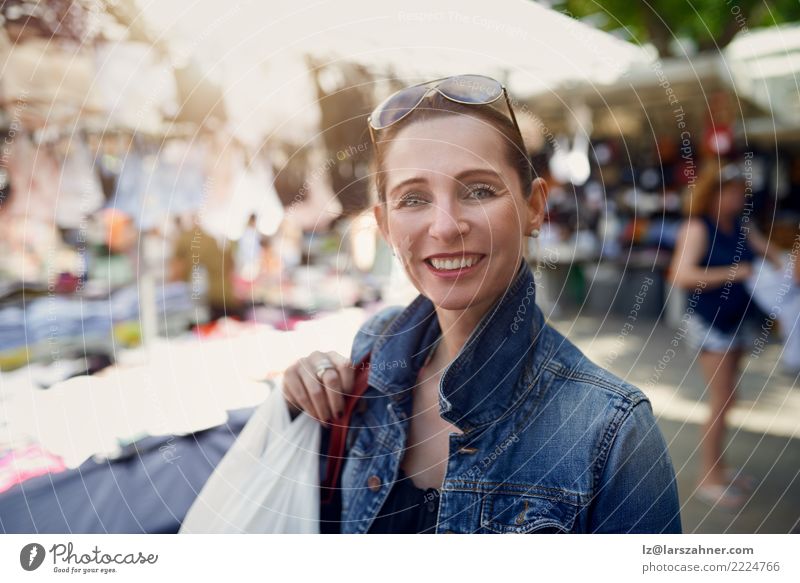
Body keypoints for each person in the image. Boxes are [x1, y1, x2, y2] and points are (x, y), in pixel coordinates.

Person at [283, 75, 681, 534]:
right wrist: (304, 402)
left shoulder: (611, 432)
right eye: (413, 198)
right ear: (386, 225)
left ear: (533, 207)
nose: (446, 227)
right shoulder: (373, 355)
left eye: (478, 190)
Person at [669, 162, 782, 510]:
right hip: (709, 321)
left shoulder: (741, 227)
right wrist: (735, 273)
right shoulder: (697, 227)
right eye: (730, 192)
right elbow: (680, 275)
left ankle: (720, 467)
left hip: (738, 321)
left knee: (729, 398)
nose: (737, 199)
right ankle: (708, 478)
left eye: (740, 194)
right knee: (720, 401)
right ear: (713, 193)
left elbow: (775, 257)